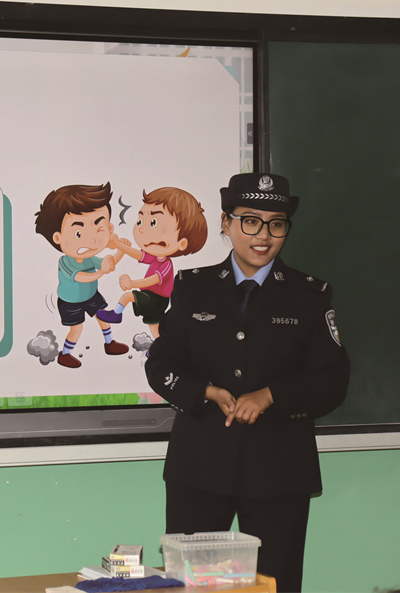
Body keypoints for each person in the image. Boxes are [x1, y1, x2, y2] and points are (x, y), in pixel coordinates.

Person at [144, 172, 350, 592]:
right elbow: (160, 363)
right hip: (199, 466)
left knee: (275, 586)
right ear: (226, 222)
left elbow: (333, 379)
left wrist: (273, 395)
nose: (264, 236)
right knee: (190, 587)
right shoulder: (193, 288)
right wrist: (204, 391)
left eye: (276, 224)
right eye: (251, 221)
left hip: (280, 470)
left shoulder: (310, 296)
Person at [35, 182, 129, 368]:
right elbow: (81, 277)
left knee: (103, 317)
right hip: (70, 301)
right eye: (78, 233)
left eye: (99, 227)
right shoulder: (65, 262)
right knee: (77, 328)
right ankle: (65, 354)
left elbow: (108, 263)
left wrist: (121, 250)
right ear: (58, 238)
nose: (92, 239)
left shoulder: (90, 258)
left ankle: (109, 343)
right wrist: (101, 271)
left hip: (91, 295)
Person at [96, 186, 208, 339]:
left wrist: (133, 283)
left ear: (181, 243)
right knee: (154, 326)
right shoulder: (156, 257)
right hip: (153, 297)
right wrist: (119, 245)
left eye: (153, 222)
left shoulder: (166, 264)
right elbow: (139, 255)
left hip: (156, 299)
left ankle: (116, 314)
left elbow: (154, 279)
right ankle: (159, 346)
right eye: (140, 221)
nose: (142, 229)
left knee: (128, 296)